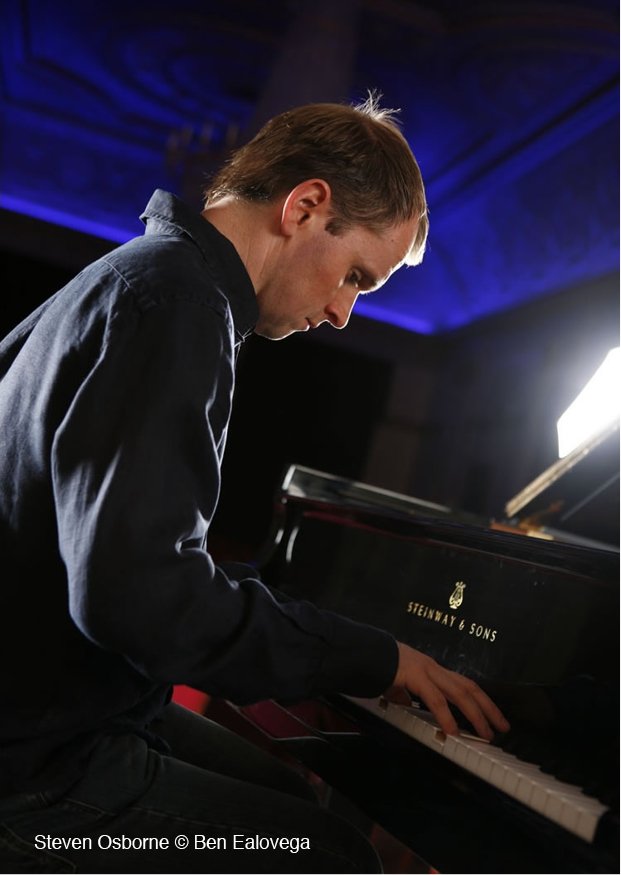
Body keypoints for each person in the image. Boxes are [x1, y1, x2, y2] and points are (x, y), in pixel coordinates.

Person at [0, 95, 509, 873]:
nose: (342, 312)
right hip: (31, 761)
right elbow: (138, 599)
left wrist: (331, 637)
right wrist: (367, 657)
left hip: (57, 704)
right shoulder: (178, 304)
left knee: (287, 793)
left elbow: (129, 562)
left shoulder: (146, 279)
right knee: (330, 855)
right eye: (355, 277)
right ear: (305, 206)